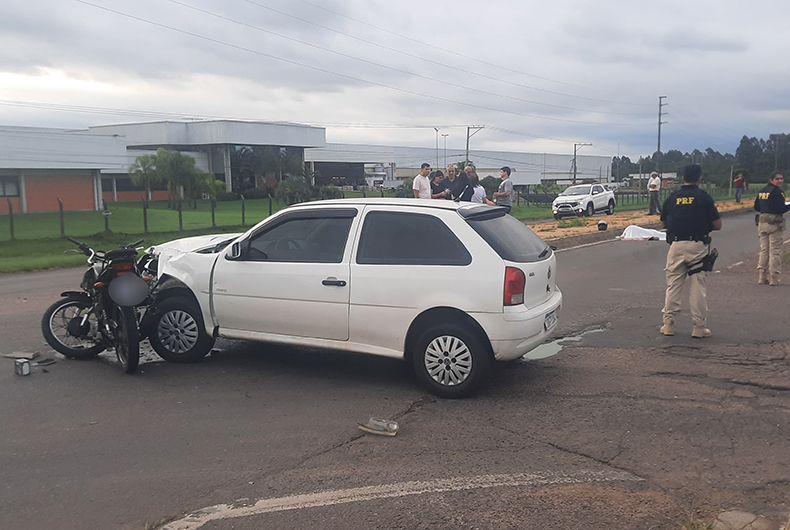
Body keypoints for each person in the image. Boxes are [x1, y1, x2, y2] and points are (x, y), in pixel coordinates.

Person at [659, 164, 722, 339]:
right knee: (697, 288)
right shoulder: (704, 198)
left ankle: (668, 324)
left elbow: (663, 223)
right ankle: (698, 327)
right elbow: (718, 225)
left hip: (676, 246)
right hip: (697, 247)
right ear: (699, 178)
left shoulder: (672, 197)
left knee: (673, 286)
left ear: (683, 178)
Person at [754, 171, 790, 286]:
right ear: (771, 180)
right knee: (775, 251)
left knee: (764, 250)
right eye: (777, 179)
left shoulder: (762, 191)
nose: (780, 181)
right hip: (774, 224)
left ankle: (762, 276)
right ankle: (774, 278)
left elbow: (756, 206)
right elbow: (781, 209)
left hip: (762, 222)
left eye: (781, 178)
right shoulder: (778, 192)